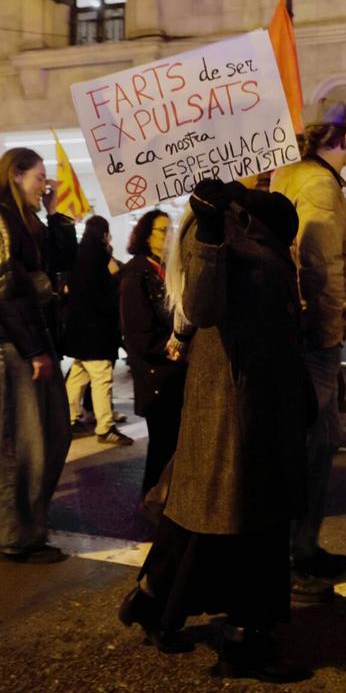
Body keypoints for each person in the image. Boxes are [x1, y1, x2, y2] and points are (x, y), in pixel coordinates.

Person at [118, 179, 312, 683]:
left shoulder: (262, 217)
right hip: (234, 393)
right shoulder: (212, 219)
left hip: (266, 388)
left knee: (210, 513)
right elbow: (202, 307)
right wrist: (207, 228)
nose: (266, 170)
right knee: (243, 518)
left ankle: (153, 602)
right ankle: (244, 642)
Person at [0, 147, 75, 564]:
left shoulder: (24, 220)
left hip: (25, 343)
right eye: (39, 176)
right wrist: (36, 349)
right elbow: (4, 287)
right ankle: (19, 537)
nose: (45, 182)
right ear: (16, 174)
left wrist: (55, 212)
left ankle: (15, 518)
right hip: (9, 344)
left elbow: (64, 263)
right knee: (22, 444)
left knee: (53, 433)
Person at [270, 99, 346, 600]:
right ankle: (294, 555)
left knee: (319, 442)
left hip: (298, 336)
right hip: (314, 340)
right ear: (345, 138)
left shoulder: (288, 176)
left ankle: (304, 547)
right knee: (310, 448)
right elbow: (320, 267)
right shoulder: (320, 185)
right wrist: (330, 335)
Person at [120, 210, 187, 495]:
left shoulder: (161, 269)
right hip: (156, 374)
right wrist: (171, 348)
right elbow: (138, 336)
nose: (169, 235)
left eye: (170, 229)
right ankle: (153, 500)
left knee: (170, 442)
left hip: (170, 371)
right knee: (162, 443)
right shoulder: (137, 274)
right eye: (162, 230)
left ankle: (162, 499)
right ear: (146, 235)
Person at [63, 215, 131, 445]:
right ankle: (105, 427)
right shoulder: (99, 259)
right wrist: (114, 275)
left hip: (80, 332)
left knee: (78, 375)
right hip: (96, 332)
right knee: (101, 377)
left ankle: (68, 419)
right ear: (103, 234)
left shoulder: (80, 255)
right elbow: (104, 297)